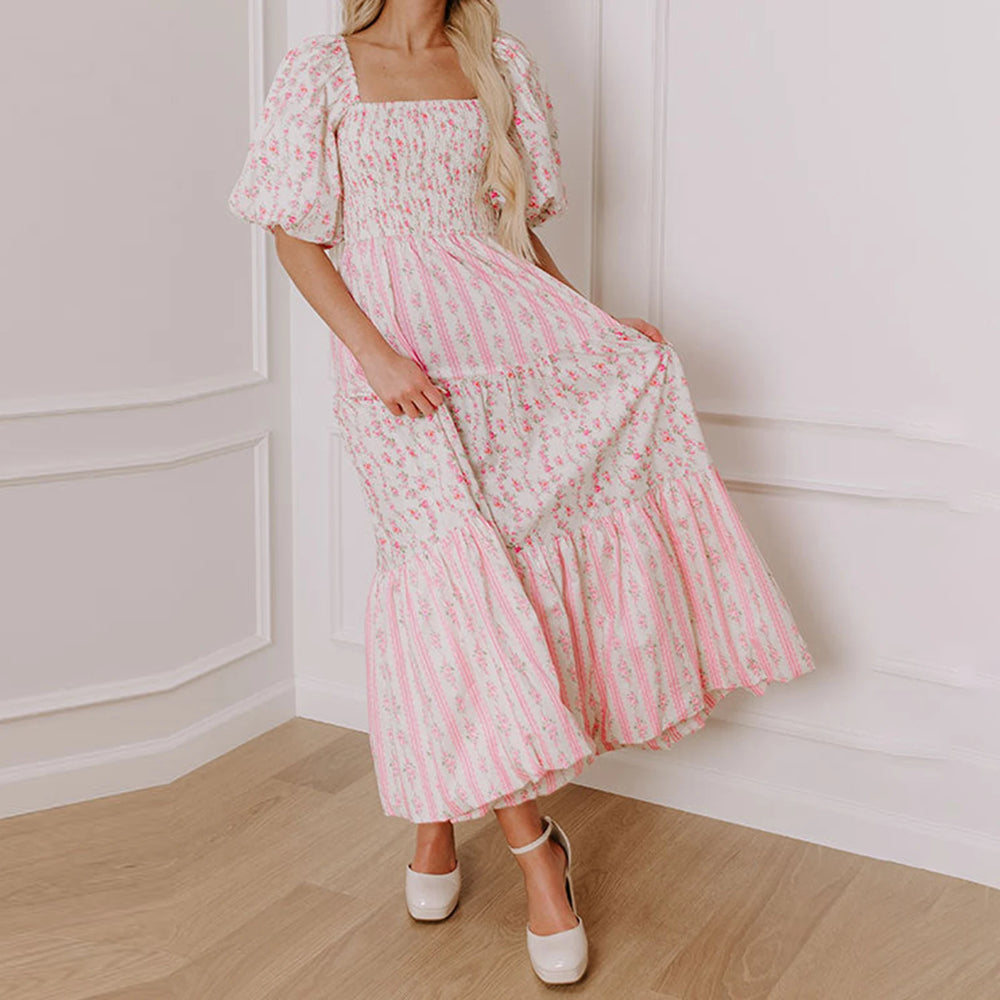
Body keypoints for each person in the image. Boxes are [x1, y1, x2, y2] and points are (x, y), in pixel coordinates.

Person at [228, 0, 816, 984]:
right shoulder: (325, 70)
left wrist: (589, 326)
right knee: (442, 574)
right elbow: (295, 240)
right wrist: (372, 357)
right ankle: (537, 848)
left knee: (487, 581)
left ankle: (433, 825)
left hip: (499, 339)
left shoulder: (495, 62)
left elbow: (509, 237)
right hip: (394, 364)